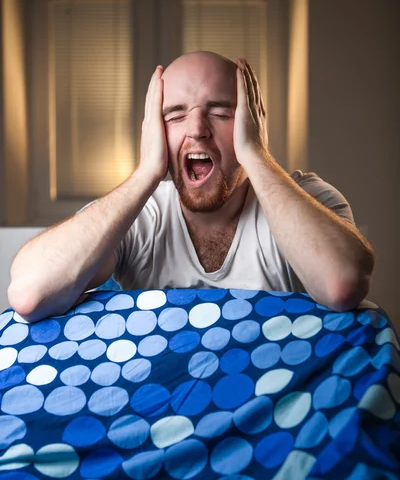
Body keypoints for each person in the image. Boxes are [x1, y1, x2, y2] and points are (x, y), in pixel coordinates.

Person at [8, 51, 375, 323]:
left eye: (220, 112)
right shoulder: (142, 215)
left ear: (253, 125)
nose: (197, 129)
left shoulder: (310, 199)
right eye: (175, 115)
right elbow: (29, 294)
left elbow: (342, 285)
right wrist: (145, 174)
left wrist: (257, 157)